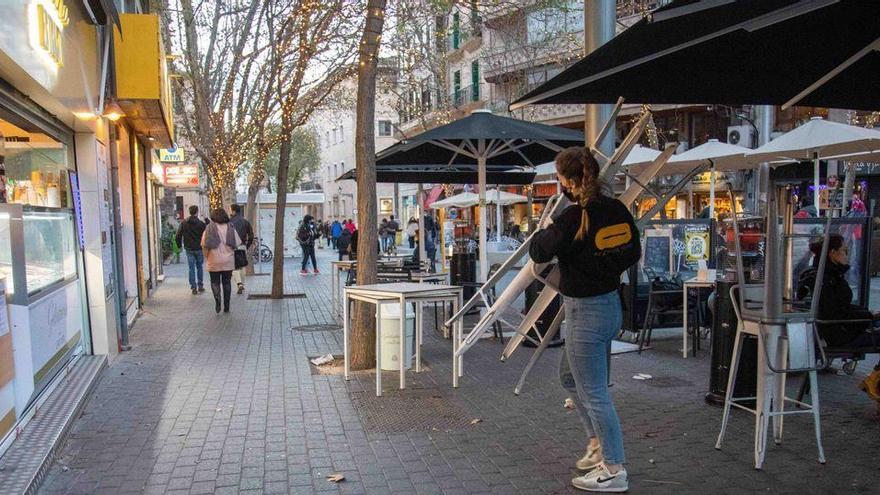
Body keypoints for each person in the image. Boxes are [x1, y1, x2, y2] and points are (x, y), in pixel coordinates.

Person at [529, 147, 641, 493]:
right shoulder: (616, 209)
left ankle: (614, 468)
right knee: (569, 378)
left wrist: (547, 227)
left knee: (595, 395)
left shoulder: (571, 219)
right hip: (609, 306)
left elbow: (538, 251)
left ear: (569, 181)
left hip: (585, 312)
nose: (558, 185)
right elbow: (633, 251)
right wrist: (602, 267)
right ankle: (597, 445)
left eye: (559, 179)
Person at [797, 234, 878, 349]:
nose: (847, 255)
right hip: (840, 335)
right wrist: (868, 315)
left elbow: (839, 307)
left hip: (831, 330)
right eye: (845, 250)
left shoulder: (816, 274)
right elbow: (836, 313)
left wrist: (868, 312)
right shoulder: (828, 279)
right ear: (833, 253)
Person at [201, 208, 241, 313]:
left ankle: (217, 300)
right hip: (228, 260)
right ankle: (226, 306)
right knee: (227, 283)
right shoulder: (230, 227)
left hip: (213, 259)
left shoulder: (209, 228)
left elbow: (204, 244)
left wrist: (206, 256)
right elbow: (237, 242)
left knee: (215, 282)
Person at [176, 205, 207, 294]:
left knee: (191, 268)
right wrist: (206, 219)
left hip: (189, 248)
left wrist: (179, 246)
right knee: (199, 267)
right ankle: (200, 285)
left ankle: (193, 287)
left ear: (189, 212)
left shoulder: (184, 223)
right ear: (197, 212)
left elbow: (178, 235)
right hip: (199, 248)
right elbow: (208, 229)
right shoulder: (201, 223)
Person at [228, 204, 254, 294]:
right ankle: (242, 284)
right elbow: (251, 236)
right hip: (243, 245)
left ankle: (239, 284)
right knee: (242, 266)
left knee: (234, 267)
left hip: (232, 247)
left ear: (233, 211)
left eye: (230, 210)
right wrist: (247, 246)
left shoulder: (229, 222)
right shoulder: (245, 221)